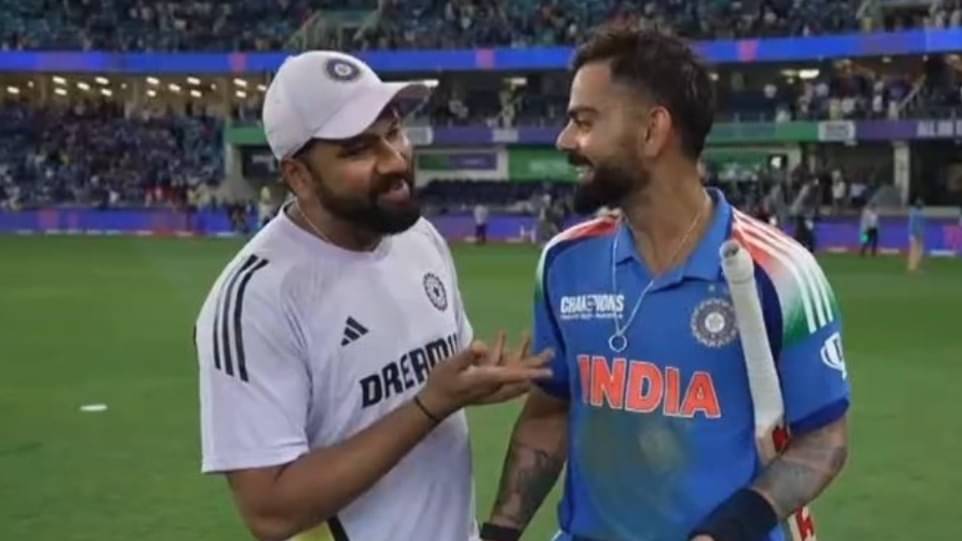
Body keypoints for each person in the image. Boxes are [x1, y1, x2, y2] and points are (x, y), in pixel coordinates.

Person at [481, 26, 850, 541]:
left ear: (653, 131)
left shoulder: (779, 273)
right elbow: (550, 411)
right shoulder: (564, 262)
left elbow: (825, 437)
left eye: (584, 122)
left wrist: (727, 530)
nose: (565, 141)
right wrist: (500, 532)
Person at [194, 50, 552, 541]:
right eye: (358, 150)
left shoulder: (418, 238)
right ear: (299, 176)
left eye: (394, 131)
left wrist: (474, 384)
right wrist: (430, 405)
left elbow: (430, 381)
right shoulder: (255, 300)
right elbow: (270, 510)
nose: (394, 159)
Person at [907, 198, 926, 272]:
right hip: (917, 234)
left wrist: (911, 234)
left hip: (915, 234)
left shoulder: (913, 213)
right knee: (917, 251)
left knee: (915, 251)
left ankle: (913, 267)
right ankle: (913, 267)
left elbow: (912, 224)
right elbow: (917, 225)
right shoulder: (920, 214)